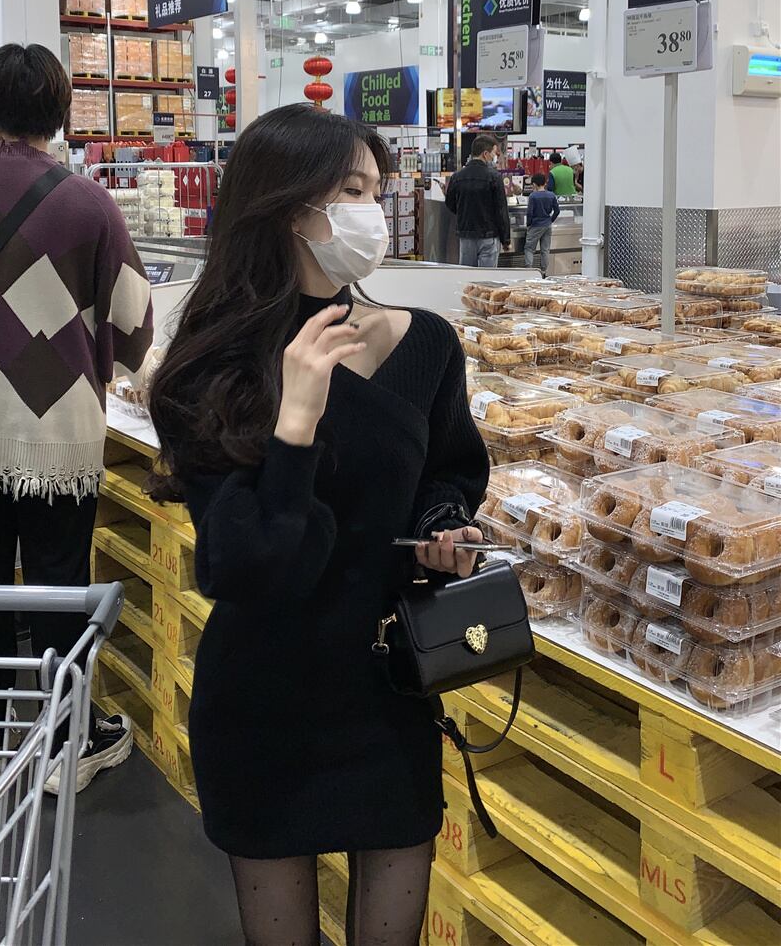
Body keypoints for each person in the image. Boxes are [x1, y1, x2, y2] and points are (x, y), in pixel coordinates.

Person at [147, 103, 489, 946]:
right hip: (266, 696)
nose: (375, 211)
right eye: (352, 191)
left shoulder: (423, 344)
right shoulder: (213, 368)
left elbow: (449, 468)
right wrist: (295, 421)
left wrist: (446, 526)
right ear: (291, 208)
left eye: (376, 188)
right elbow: (245, 567)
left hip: (386, 685)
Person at [0, 44, 154, 791]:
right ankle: (64, 746)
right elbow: (135, 325)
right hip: (57, 431)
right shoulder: (88, 203)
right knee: (58, 584)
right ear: (59, 112)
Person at [445, 134, 510, 267]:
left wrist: (464, 212)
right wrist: (506, 239)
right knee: (487, 277)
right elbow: (501, 210)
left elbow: (450, 203)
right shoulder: (494, 177)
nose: (494, 157)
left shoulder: (457, 177)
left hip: (466, 234)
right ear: (485, 154)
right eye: (493, 153)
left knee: (467, 274)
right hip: (489, 235)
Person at [525, 171, 561, 277]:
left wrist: (528, 224)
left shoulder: (533, 196)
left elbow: (529, 213)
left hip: (536, 225)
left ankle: (529, 271)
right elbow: (557, 211)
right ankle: (544, 272)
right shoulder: (551, 195)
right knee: (545, 250)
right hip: (547, 225)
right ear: (545, 183)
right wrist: (550, 220)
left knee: (529, 248)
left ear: (534, 184)